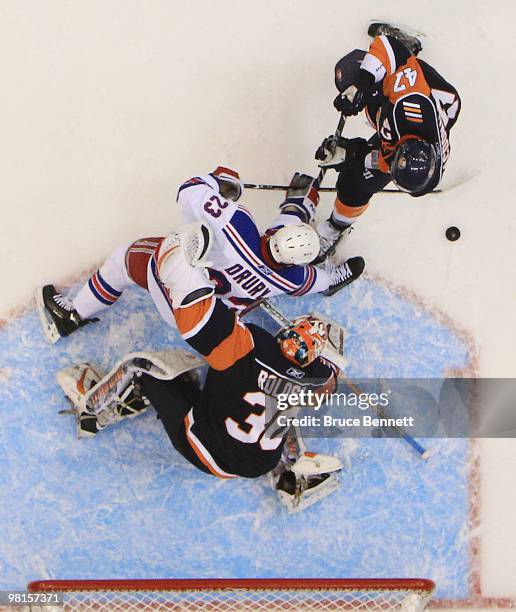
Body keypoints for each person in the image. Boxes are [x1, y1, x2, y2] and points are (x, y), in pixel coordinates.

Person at [54, 224, 343, 510]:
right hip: (256, 463)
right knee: (283, 408)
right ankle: (291, 476)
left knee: (142, 366)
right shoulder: (315, 382)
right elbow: (330, 377)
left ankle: (92, 411)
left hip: (202, 445)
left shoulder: (249, 347)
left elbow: (197, 322)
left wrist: (177, 262)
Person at [36, 167, 364, 343]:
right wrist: (300, 207)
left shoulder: (239, 222)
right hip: (206, 321)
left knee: (124, 260)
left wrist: (219, 181)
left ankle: (73, 315)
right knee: (291, 258)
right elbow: (320, 280)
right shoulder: (293, 278)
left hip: (181, 290)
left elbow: (188, 190)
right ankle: (301, 201)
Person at [315, 23, 462, 261]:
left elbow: (384, 162)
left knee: (355, 183)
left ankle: (335, 228)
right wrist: (361, 84)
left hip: (433, 113)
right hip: (429, 96)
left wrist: (349, 154)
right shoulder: (410, 106)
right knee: (350, 73)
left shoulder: (421, 178)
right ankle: (408, 48)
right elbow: (388, 46)